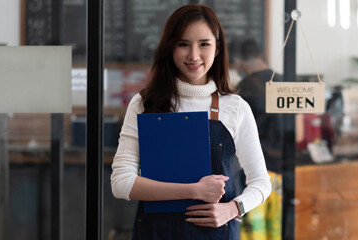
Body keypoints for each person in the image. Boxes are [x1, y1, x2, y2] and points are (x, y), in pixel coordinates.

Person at [110, 5, 271, 240]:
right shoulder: (145, 103)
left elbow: (261, 183)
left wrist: (233, 208)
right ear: (170, 48)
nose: (194, 56)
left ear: (217, 48)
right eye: (183, 44)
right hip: (154, 233)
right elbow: (121, 184)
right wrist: (195, 190)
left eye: (204, 44)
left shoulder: (235, 107)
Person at [230, 37, 283, 240]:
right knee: (276, 231)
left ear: (237, 60)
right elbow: (300, 132)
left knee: (254, 233)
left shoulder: (246, 87)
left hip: (253, 173)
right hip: (282, 170)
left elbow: (236, 134)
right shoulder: (284, 81)